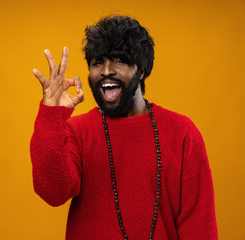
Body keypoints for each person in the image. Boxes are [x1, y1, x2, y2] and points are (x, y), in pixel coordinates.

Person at [30, 15, 218, 240]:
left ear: (141, 70)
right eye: (97, 62)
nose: (106, 71)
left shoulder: (182, 133)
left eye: (119, 60)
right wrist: (52, 116)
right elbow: (53, 192)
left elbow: (199, 227)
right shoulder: (77, 131)